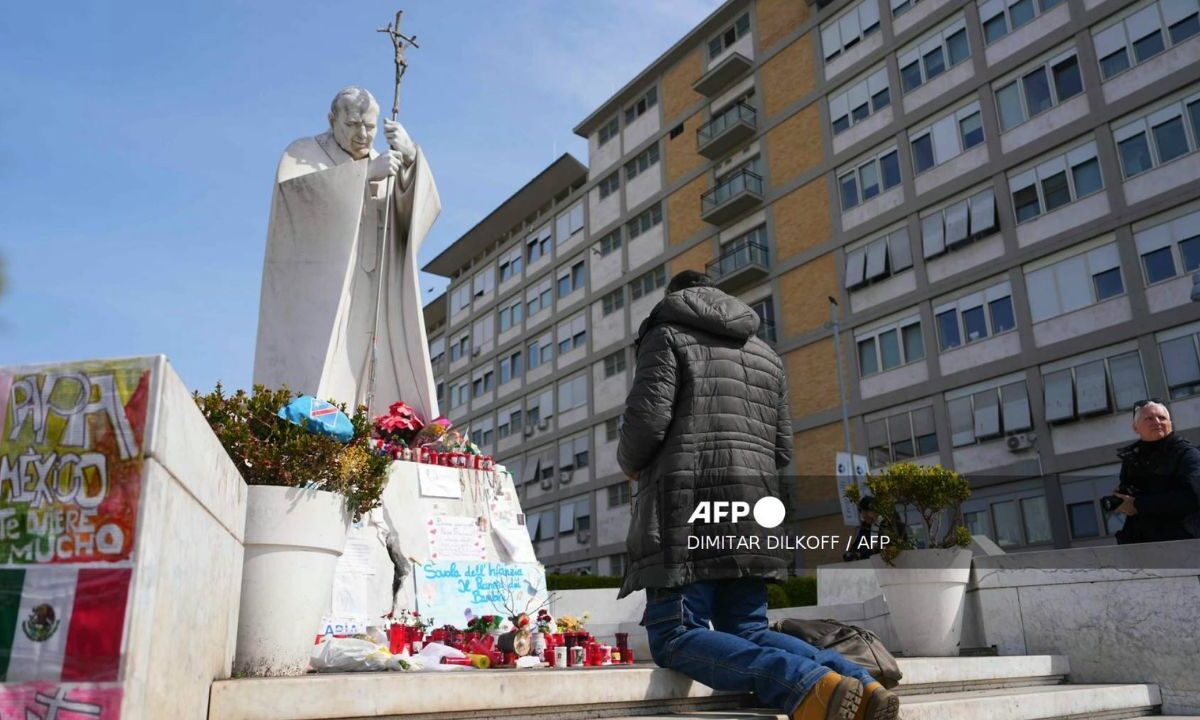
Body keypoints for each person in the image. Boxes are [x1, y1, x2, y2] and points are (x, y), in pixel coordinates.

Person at [617, 270, 898, 720]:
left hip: (685, 510)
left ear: (676, 298)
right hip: (753, 511)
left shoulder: (665, 333)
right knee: (746, 627)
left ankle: (806, 686)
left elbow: (645, 424)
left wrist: (630, 463)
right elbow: (782, 448)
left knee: (674, 635)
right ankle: (860, 684)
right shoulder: (766, 354)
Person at [253, 86, 441, 420]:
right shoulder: (304, 154)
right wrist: (364, 176)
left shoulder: (386, 162)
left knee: (371, 367)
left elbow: (412, 220)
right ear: (332, 120)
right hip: (324, 292)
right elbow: (297, 201)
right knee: (324, 370)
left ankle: (379, 429)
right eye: (353, 124)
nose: (363, 134)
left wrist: (411, 162)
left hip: (374, 289)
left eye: (369, 126)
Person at [1111, 400, 1200, 543]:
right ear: (1136, 428)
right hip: (1140, 542)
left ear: (1171, 423)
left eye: (1162, 418)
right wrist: (1123, 501)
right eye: (1149, 418)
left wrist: (1138, 504)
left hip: (1181, 541)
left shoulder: (1186, 454)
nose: (1157, 422)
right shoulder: (1132, 458)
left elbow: (1192, 498)